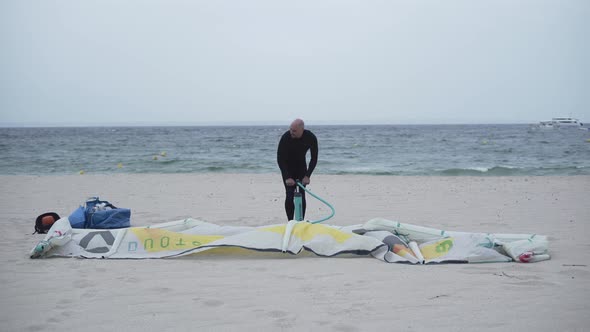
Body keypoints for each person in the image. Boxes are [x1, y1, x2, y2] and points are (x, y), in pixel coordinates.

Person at [277, 119, 318, 221]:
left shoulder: (310, 137)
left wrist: (307, 175)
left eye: (294, 131)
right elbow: (280, 159)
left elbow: (314, 158)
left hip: (301, 168)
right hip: (288, 168)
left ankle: (300, 221)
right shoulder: (286, 137)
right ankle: (290, 221)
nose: (292, 132)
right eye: (291, 129)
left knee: (301, 195)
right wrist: (287, 177)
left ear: (302, 130)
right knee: (290, 194)